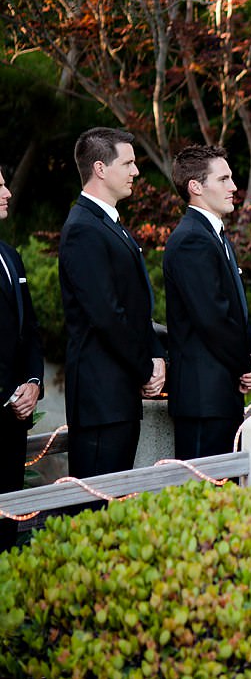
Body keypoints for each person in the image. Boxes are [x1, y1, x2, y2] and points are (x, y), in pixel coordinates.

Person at [59, 127, 165, 479]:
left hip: (117, 396)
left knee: (113, 504)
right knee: (93, 507)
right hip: (99, 399)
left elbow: (136, 308)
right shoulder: (83, 228)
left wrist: (155, 355)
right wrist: (146, 368)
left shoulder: (109, 224)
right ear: (101, 168)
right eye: (129, 163)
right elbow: (106, 314)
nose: (135, 172)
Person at [163, 146, 251, 459]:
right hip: (202, 398)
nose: (233, 187)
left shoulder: (214, 235)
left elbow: (236, 309)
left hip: (219, 393)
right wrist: (247, 364)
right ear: (196, 187)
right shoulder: (192, 239)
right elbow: (213, 319)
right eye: (223, 179)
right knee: (202, 494)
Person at [0, 168, 43, 550]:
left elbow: (29, 329)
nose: (8, 192)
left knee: (8, 529)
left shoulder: (10, 256)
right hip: (3, 407)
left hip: (15, 423)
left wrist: (33, 383)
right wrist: (6, 395)